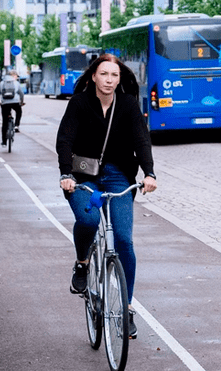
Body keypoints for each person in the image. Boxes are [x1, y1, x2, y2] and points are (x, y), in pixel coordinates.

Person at [56, 53, 158, 339]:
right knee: (88, 222)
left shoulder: (127, 104)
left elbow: (141, 139)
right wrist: (66, 174)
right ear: (93, 76)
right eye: (104, 74)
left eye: (114, 75)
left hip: (117, 176)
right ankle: (82, 263)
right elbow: (65, 139)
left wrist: (149, 173)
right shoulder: (79, 103)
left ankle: (125, 308)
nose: (109, 80)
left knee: (124, 239)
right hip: (83, 176)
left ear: (119, 78)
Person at [0, 70, 24, 146]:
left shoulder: (2, 83)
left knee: (4, 122)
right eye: (16, 76)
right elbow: (21, 94)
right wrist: (21, 102)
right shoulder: (16, 83)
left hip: (5, 104)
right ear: (13, 75)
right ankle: (16, 125)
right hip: (15, 103)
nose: (17, 77)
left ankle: (4, 142)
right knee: (19, 111)